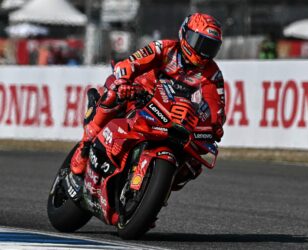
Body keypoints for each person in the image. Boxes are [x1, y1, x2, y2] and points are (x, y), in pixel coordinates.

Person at [70, 13, 226, 179]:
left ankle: (155, 181)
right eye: (200, 43)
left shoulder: (213, 75)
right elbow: (131, 63)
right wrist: (124, 81)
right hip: (141, 95)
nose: (203, 52)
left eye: (210, 47)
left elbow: (216, 108)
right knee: (113, 91)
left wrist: (213, 127)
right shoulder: (164, 48)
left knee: (193, 166)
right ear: (185, 34)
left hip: (172, 118)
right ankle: (85, 145)